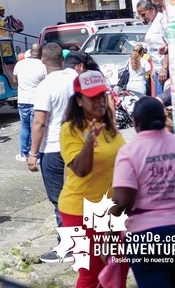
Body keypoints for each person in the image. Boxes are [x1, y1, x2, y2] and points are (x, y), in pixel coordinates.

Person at [111, 97, 175, 287]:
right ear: (163, 118)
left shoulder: (129, 152)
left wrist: (109, 239)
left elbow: (122, 201)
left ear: (135, 122)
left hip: (146, 237)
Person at [58, 70, 126, 288]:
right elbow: (80, 170)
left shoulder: (109, 127)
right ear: (79, 100)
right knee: (91, 273)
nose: (99, 101)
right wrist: (88, 143)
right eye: (93, 97)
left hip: (112, 210)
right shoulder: (70, 129)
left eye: (102, 96)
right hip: (79, 210)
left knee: (118, 267)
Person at [28, 44, 83, 263]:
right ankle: (81, 241)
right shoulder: (73, 77)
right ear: (63, 59)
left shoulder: (45, 86)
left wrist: (32, 153)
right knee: (78, 194)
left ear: (43, 61)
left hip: (54, 148)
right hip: (78, 144)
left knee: (59, 199)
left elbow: (40, 122)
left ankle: (69, 247)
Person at [12, 44, 46, 162]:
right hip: (38, 101)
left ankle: (23, 153)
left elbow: (15, 80)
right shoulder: (43, 66)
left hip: (23, 100)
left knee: (25, 127)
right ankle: (35, 154)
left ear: (31, 52)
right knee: (35, 127)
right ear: (41, 53)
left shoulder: (20, 64)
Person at [146, 0, 169, 95]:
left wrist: (164, 67)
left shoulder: (171, 13)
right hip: (160, 67)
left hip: (169, 68)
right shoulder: (164, 14)